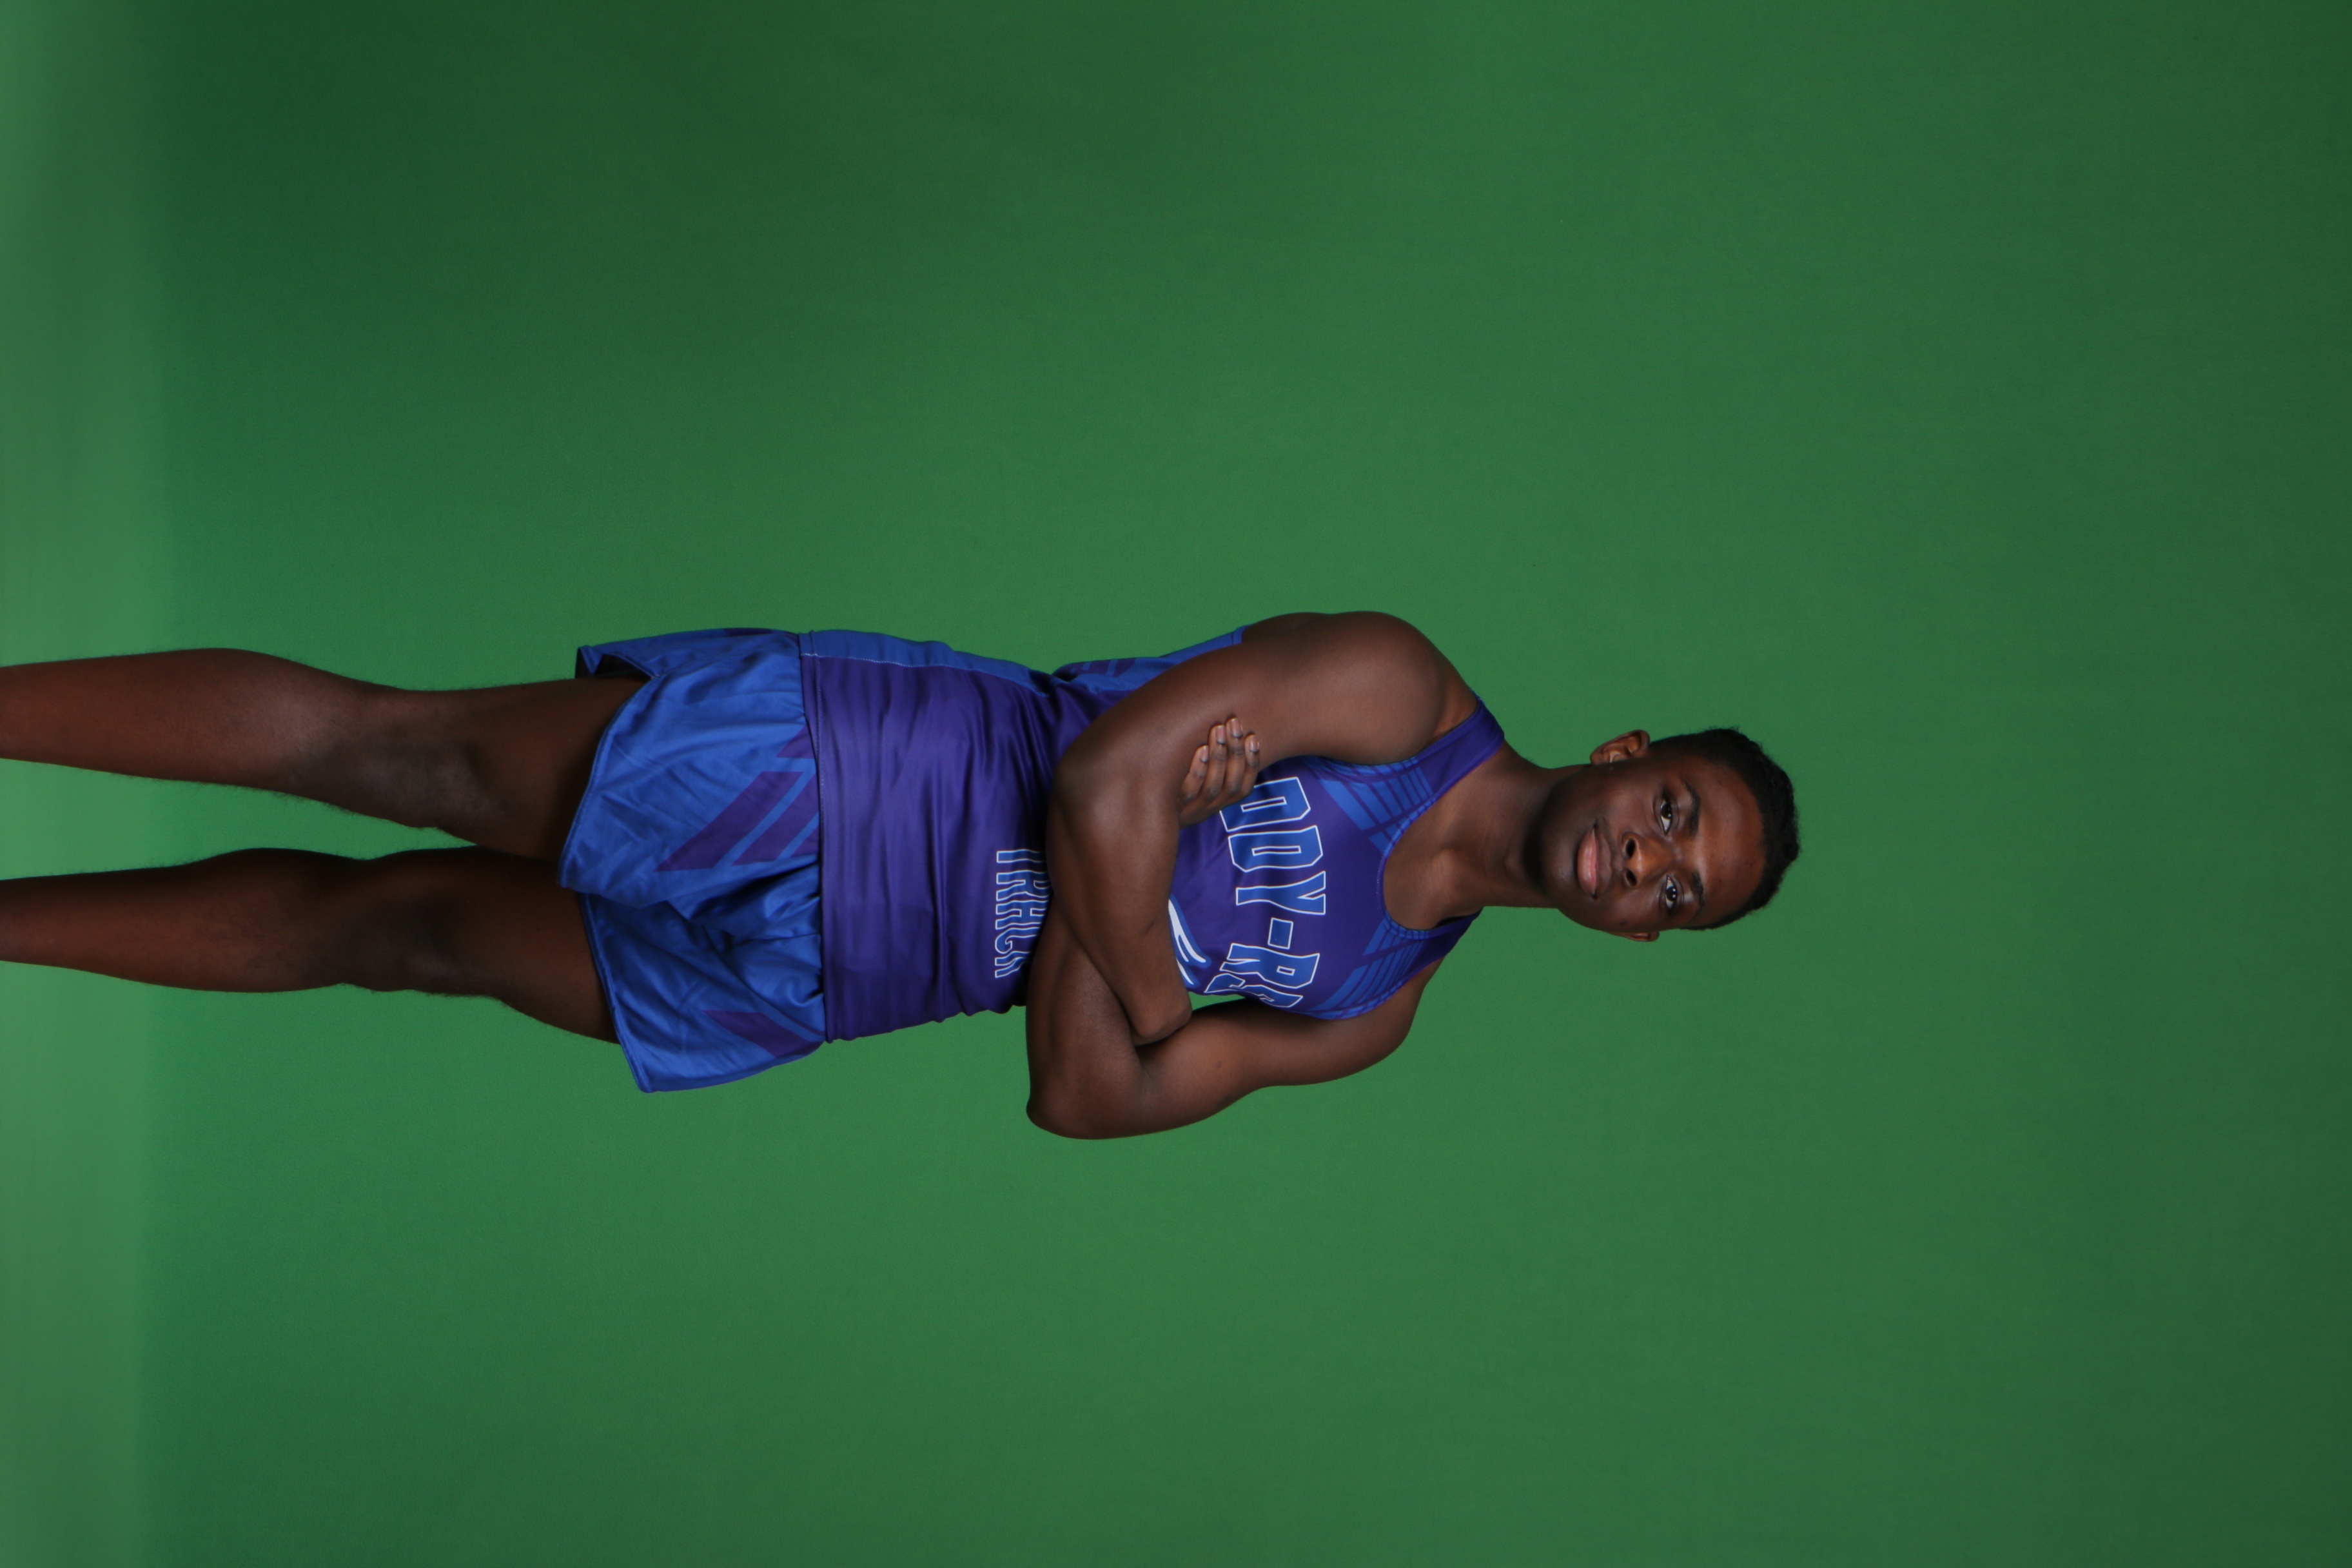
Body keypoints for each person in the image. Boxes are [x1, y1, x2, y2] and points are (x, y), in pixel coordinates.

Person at [0, 612, 1799, 1136]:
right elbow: (1092, 776)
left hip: (851, 979)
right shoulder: (1397, 693)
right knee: (397, 754)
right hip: (865, 774)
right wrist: (1144, 938)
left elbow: (1081, 1102)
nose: (1648, 861)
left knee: (400, 937)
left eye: (1681, 890)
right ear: (1630, 750)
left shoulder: (1371, 1009)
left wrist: (1146, 874)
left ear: (1648, 935)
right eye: (1675, 815)